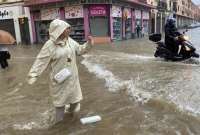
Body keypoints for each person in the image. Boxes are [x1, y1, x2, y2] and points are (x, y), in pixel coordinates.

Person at [27, 19, 93, 125]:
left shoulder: (70, 41)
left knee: (75, 102)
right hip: (59, 80)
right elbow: (41, 60)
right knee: (60, 105)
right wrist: (34, 74)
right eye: (67, 28)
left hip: (72, 79)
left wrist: (89, 44)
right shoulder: (50, 45)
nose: (69, 30)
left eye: (68, 28)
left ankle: (71, 120)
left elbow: (80, 50)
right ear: (59, 30)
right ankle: (58, 127)